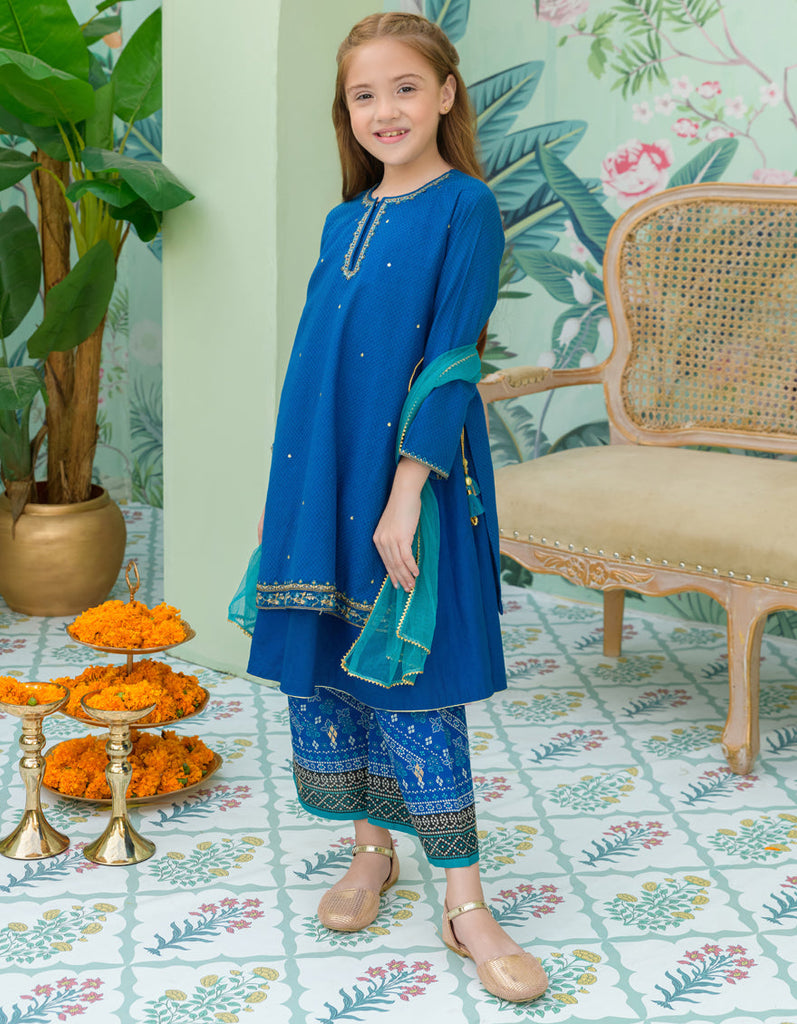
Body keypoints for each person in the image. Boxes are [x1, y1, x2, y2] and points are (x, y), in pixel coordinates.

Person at [232, 11, 548, 1004]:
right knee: (334, 660)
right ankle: (371, 851)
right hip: (319, 472)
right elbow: (310, 368)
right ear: (347, 112)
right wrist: (281, 496)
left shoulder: (465, 207)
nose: (385, 110)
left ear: (445, 94)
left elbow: (452, 362)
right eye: (363, 95)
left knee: (416, 672)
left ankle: (464, 901)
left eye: (404, 88)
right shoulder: (343, 219)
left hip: (415, 474)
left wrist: (406, 490)